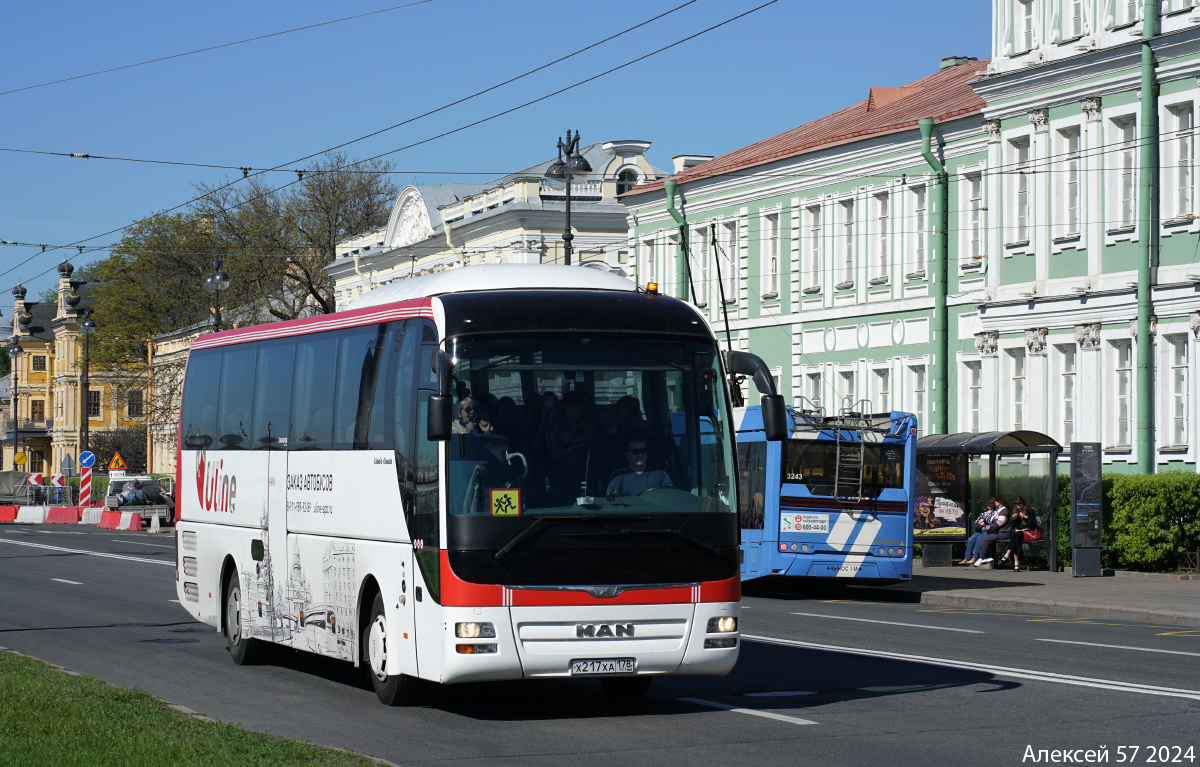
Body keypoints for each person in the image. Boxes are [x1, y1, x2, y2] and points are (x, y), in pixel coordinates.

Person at [606, 436, 674, 497]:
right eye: (635, 452)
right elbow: (611, 503)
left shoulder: (661, 475)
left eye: (643, 451)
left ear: (647, 454)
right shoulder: (618, 477)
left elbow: (671, 497)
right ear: (627, 455)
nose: (640, 454)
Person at [973, 493, 1010, 567]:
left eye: (996, 501)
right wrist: (984, 522)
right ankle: (984, 557)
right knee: (981, 538)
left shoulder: (1004, 510)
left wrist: (990, 527)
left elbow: (1000, 522)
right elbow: (992, 520)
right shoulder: (998, 510)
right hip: (997, 531)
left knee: (987, 538)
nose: (995, 502)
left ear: (1000, 501)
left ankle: (984, 557)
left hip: (1004, 532)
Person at [1000, 496, 1037, 571]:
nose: (1018, 507)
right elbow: (1013, 525)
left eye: (1020, 505)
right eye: (1017, 506)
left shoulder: (1029, 510)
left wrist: (1025, 517)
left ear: (1023, 504)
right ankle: (1016, 565)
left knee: (1015, 536)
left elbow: (1033, 524)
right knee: (1015, 538)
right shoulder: (1016, 511)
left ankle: (1008, 555)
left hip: (1028, 532)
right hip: (1019, 532)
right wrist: (1014, 519)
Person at [960, 500, 998, 565]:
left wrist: (984, 521)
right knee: (970, 539)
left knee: (979, 539)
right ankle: (966, 558)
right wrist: (980, 522)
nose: (990, 505)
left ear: (994, 504)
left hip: (988, 530)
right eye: (989, 503)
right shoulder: (984, 512)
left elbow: (992, 521)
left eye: (991, 503)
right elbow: (977, 520)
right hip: (980, 529)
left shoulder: (995, 512)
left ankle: (975, 557)